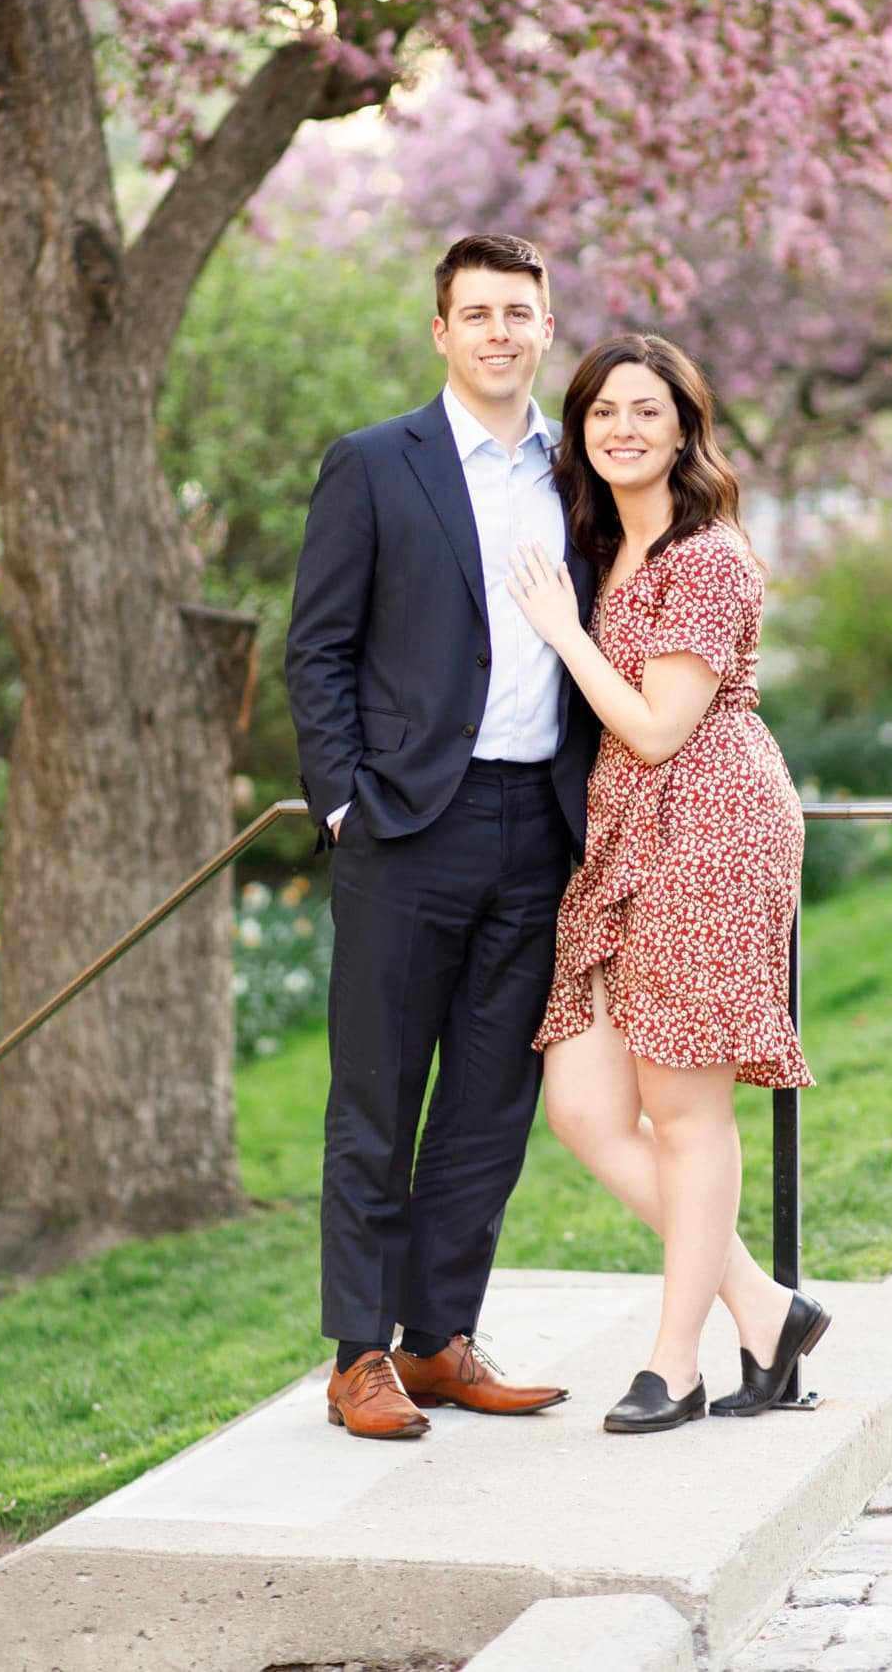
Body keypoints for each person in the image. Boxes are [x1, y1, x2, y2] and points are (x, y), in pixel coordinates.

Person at [286, 233, 600, 1440]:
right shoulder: (374, 464)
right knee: (374, 1093)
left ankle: (437, 1340)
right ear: (441, 332)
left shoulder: (576, 474)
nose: (499, 331)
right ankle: (358, 1352)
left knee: (485, 1102)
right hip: (407, 827)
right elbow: (315, 647)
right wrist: (343, 799)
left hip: (539, 825)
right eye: (476, 312)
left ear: (544, 324)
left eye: (518, 311)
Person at [507, 332, 826, 1434]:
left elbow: (653, 725)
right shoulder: (610, 551)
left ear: (685, 427)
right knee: (589, 1106)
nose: (623, 429)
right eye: (602, 411)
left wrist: (560, 632)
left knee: (682, 1107)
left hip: (710, 824)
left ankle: (675, 1361)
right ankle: (762, 1304)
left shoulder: (707, 556)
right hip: (625, 833)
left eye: (647, 410)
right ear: (581, 431)